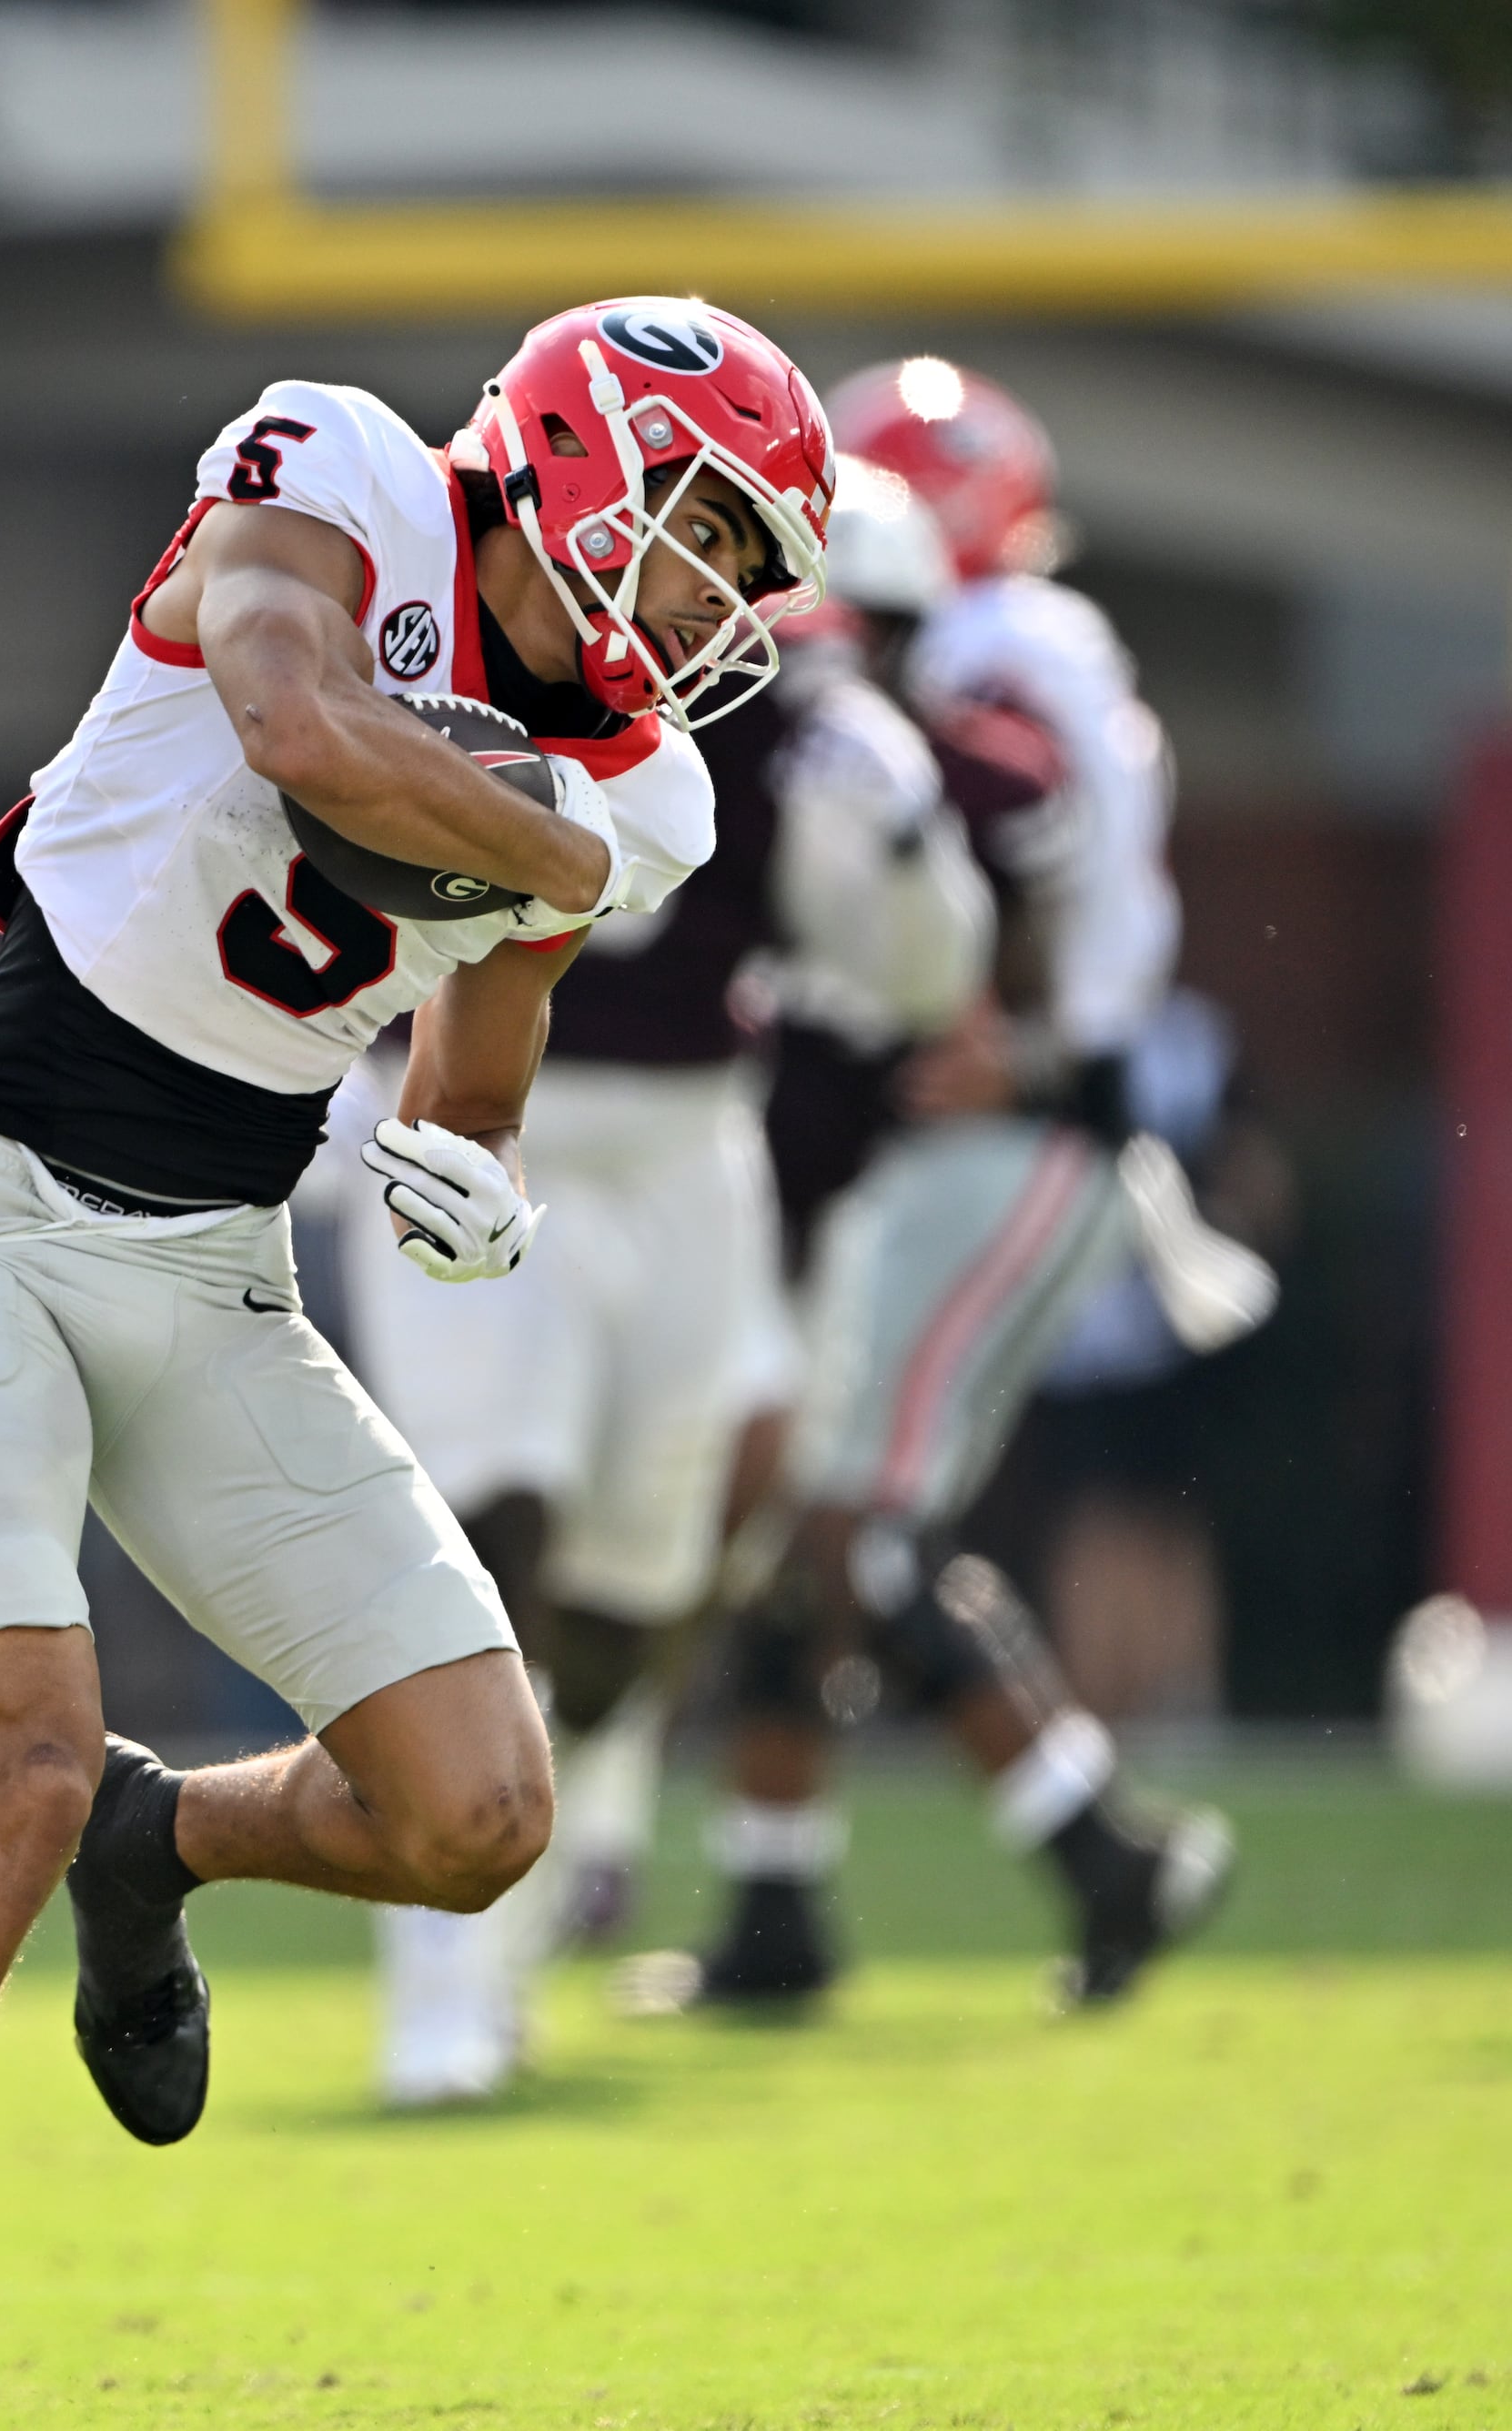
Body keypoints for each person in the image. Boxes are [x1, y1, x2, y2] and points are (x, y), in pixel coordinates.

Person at [0, 298, 832, 2431]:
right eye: (700, 529)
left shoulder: (634, 772)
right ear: (583, 453)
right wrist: (551, 846)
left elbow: (478, 1046)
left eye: (742, 571)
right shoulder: (336, 466)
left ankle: (169, 1844)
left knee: (480, 1807)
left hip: (222, 1263)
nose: (707, 601)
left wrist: (468, 1161)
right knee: (11, 1772)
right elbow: (297, 722)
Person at [338, 459, 997, 2103]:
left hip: (694, 1150)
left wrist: (900, 831)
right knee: (494, 1516)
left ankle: (528, 1869)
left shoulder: (796, 743)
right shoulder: (457, 640)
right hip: (473, 1122)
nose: (710, 609)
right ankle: (437, 1960)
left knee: (638, 1590)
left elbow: (928, 979)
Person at [629, 358, 1237, 2014]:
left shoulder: (986, 690)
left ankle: (1107, 1843)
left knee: (851, 1531)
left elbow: (1025, 823)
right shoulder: (977, 679)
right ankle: (774, 1906)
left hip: (1011, 1147)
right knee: (792, 1531)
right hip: (952, 1150)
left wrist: (1023, 1041)